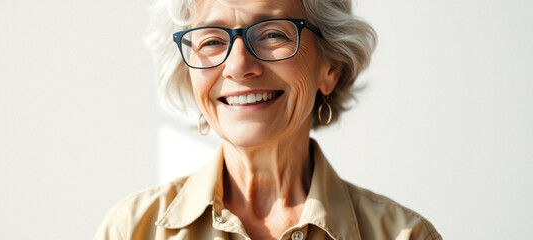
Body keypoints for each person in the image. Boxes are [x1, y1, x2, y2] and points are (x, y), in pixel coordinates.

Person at [95, 0, 442, 239]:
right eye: (213, 41)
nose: (239, 66)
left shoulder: (404, 236)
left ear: (331, 67)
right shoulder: (131, 230)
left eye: (273, 34)